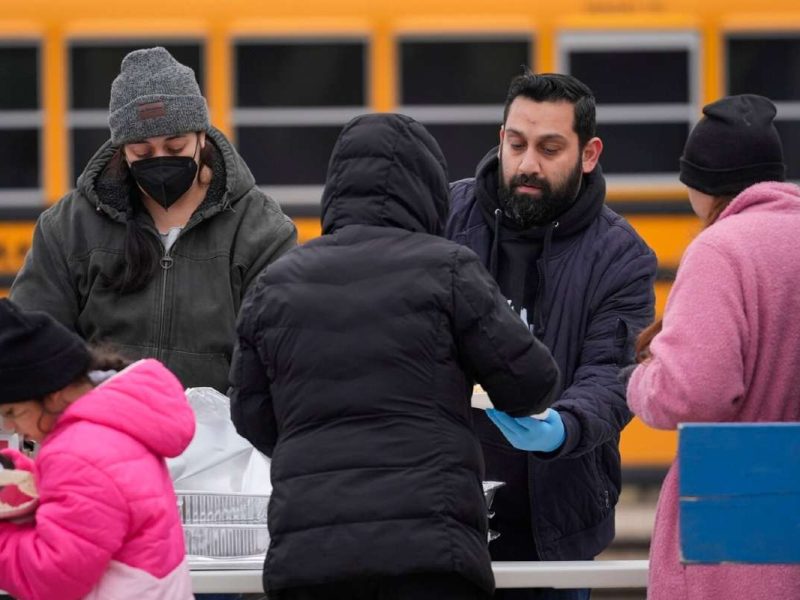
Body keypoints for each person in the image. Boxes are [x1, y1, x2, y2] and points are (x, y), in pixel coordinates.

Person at [229, 113, 562, 600]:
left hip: (311, 553)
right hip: (432, 553)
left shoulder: (275, 285)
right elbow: (531, 383)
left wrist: (316, 447)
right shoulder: (449, 270)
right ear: (429, 190)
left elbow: (251, 415)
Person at [445, 71, 657, 599]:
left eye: (550, 147)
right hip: (442, 521)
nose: (528, 164)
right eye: (516, 144)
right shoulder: (445, 218)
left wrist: (564, 425)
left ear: (589, 154)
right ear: (501, 139)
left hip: (556, 532)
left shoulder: (622, 255)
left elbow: (614, 374)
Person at [10, 46, 297, 393]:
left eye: (175, 148)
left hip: (223, 440)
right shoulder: (69, 227)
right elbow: (32, 344)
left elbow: (277, 357)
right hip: (102, 436)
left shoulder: (261, 230)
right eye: (142, 153)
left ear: (202, 137)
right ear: (121, 151)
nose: (160, 160)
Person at [626, 94, 800, 599]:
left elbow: (692, 393)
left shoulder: (721, 249)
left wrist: (636, 384)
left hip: (737, 526)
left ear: (699, 183)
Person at [0, 298, 195, 600]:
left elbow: (52, 577)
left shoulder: (78, 453)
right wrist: (23, 476)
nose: (10, 427)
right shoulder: (114, 424)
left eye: (12, 412)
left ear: (52, 395)